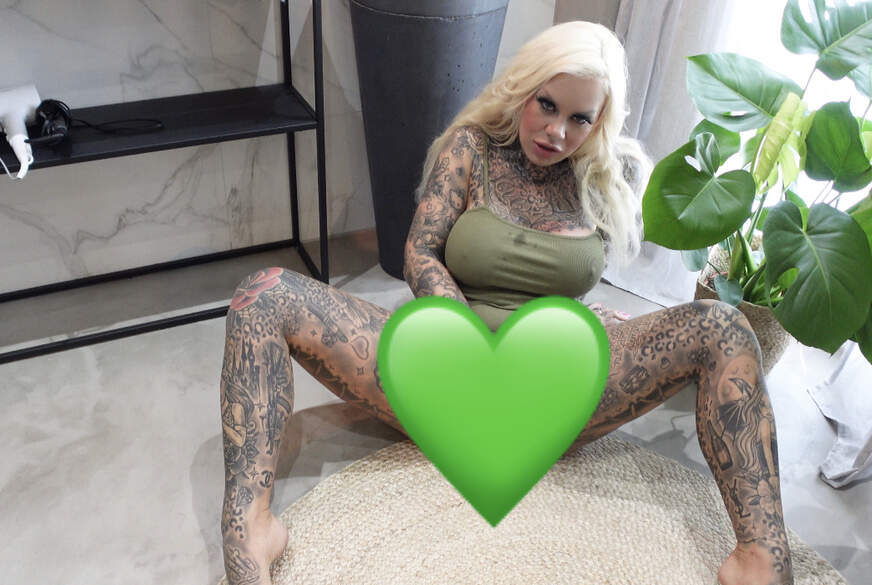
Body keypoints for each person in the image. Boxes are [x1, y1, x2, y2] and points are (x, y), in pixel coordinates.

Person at [219, 21, 794, 585]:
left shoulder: (600, 176)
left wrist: (585, 322)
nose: (556, 132)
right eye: (547, 105)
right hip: (445, 365)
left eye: (579, 118)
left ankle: (760, 560)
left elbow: (571, 281)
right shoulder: (472, 149)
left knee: (723, 326)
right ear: (523, 88)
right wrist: (464, 336)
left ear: (599, 121)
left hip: (551, 383)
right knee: (263, 295)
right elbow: (421, 251)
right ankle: (251, 529)